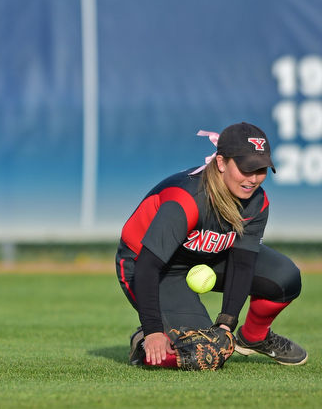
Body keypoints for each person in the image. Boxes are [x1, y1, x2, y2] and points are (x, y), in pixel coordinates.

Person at [116, 122, 307, 368]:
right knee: (202, 354)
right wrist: (153, 330)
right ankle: (142, 341)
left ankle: (253, 338)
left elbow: (242, 263)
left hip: (207, 256)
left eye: (260, 169)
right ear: (220, 163)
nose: (253, 178)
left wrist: (226, 325)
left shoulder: (256, 202)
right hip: (149, 264)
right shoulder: (187, 200)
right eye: (246, 169)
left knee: (285, 277)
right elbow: (147, 266)